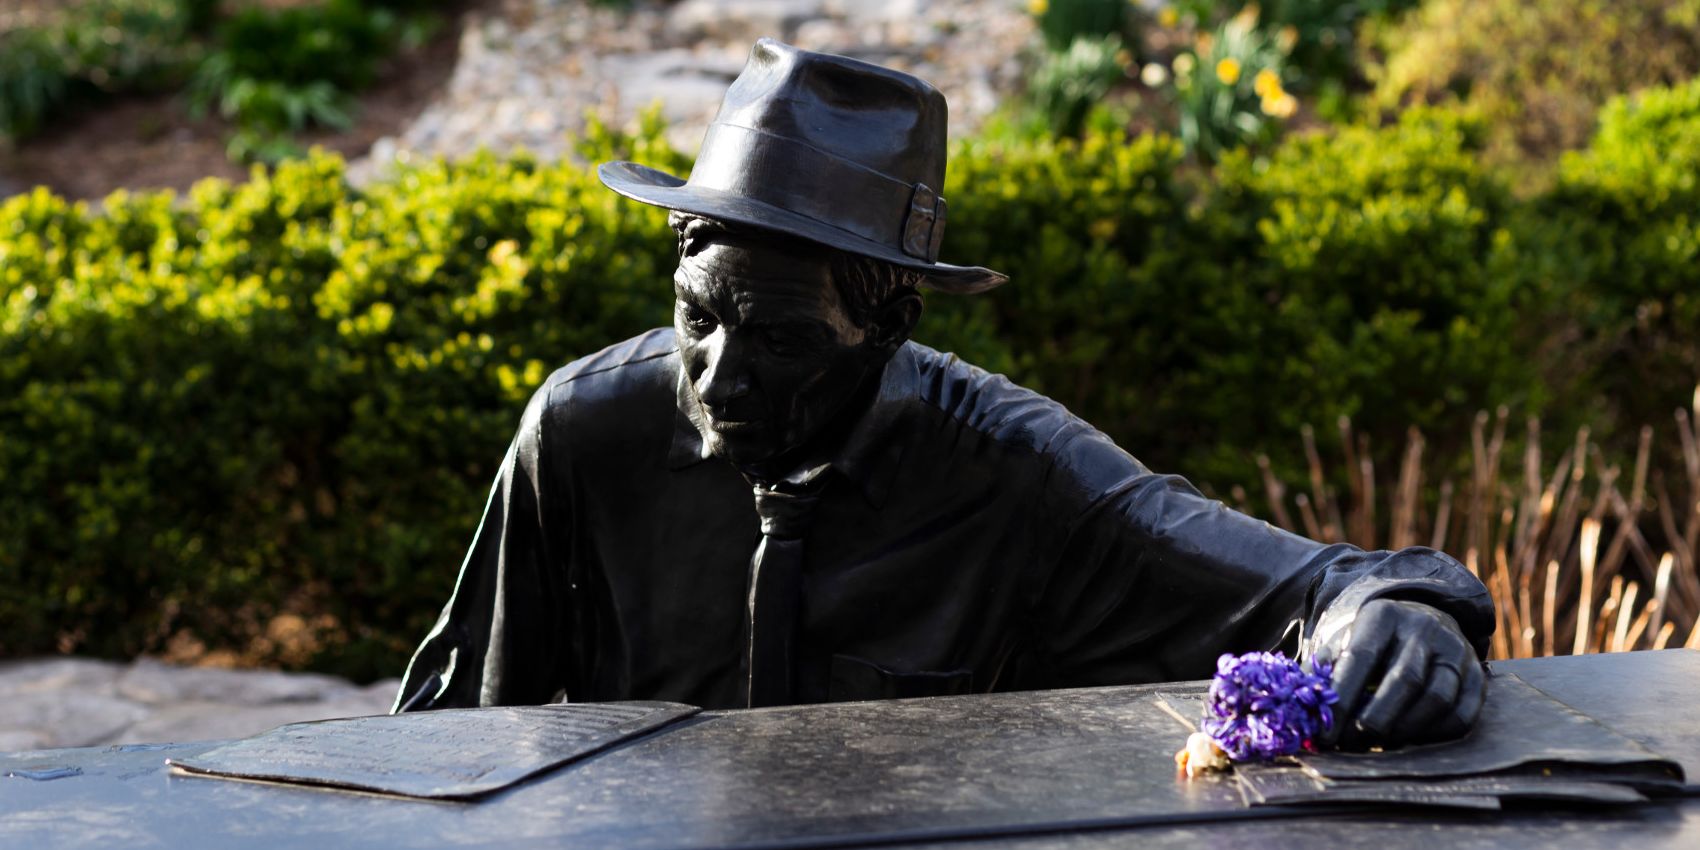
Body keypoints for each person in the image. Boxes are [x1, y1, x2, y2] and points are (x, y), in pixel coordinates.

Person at [396, 39, 1493, 749]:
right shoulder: (581, 432)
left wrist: (1392, 615)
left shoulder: (1013, 467)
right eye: (697, 314)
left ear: (885, 326)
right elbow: (446, 733)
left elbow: (1322, 584)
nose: (718, 375)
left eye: (780, 337)